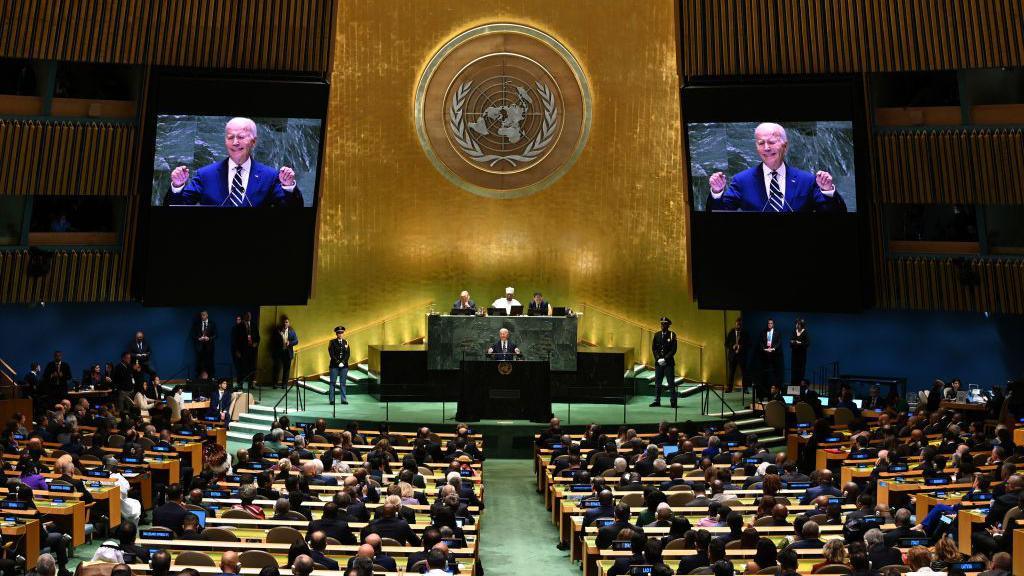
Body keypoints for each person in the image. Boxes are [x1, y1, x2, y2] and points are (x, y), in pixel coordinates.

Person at [706, 122, 847, 213]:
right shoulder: (742, 180)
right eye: (761, 143)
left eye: (772, 142)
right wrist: (717, 192)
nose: (766, 148)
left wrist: (827, 191)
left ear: (785, 146)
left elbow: (834, 215)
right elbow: (718, 215)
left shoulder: (807, 180)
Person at [165, 117, 302, 207]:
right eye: (230, 137)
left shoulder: (269, 176)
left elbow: (291, 212)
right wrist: (177, 185)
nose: (235, 142)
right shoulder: (206, 175)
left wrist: (288, 187)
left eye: (241, 137)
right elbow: (176, 208)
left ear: (253, 141)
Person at [649, 317, 678, 407]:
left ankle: (673, 401)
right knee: (658, 383)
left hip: (668, 363)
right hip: (658, 363)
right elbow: (654, 348)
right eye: (662, 323)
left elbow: (673, 349)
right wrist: (658, 358)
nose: (663, 325)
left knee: (671, 383)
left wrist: (665, 359)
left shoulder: (672, 335)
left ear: (668, 325)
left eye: (665, 324)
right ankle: (657, 401)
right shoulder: (657, 335)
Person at [231, 313, 259, 384]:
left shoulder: (254, 325)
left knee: (252, 368)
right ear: (244, 317)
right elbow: (235, 340)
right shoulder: (239, 326)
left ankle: (251, 384)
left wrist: (256, 343)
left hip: (252, 350)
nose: (249, 317)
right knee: (241, 368)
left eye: (250, 315)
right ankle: (240, 384)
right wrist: (237, 351)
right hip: (242, 351)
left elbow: (258, 337)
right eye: (247, 315)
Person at [272, 316, 299, 389]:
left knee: (286, 369)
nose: (285, 323)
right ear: (282, 323)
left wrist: (289, 343)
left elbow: (296, 341)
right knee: (277, 368)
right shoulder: (277, 331)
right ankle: (275, 383)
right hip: (279, 353)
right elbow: (273, 341)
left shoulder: (292, 331)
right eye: (284, 322)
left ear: (289, 323)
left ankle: (284, 384)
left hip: (288, 353)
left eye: (286, 322)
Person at [759, 318, 784, 399]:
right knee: (766, 374)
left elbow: (779, 343)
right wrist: (764, 349)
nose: (769, 324)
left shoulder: (777, 332)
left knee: (775, 374)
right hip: (766, 356)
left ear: (773, 324)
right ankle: (766, 392)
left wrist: (773, 349)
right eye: (768, 323)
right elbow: (761, 342)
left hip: (775, 356)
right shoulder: (764, 332)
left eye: (771, 323)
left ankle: (775, 392)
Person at [328, 325, 351, 405]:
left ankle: (343, 399)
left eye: (341, 333)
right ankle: (332, 400)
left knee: (343, 383)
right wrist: (338, 362)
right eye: (338, 333)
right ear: (336, 334)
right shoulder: (332, 342)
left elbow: (348, 354)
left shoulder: (346, 342)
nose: (340, 334)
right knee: (332, 383)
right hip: (334, 365)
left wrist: (343, 362)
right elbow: (331, 354)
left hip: (344, 366)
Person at [190, 310, 217, 377]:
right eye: (201, 315)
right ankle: (200, 379)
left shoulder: (212, 323)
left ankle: (210, 378)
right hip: (200, 348)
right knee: (200, 364)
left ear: (207, 315)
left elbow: (216, 335)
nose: (203, 316)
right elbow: (193, 334)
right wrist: (198, 338)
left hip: (209, 348)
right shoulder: (196, 324)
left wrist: (209, 338)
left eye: (204, 314)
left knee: (209, 364)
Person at [725, 317, 747, 393]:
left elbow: (749, 344)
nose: (738, 326)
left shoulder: (745, 333)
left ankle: (745, 389)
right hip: (732, 356)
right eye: (737, 325)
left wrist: (741, 346)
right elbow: (726, 344)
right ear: (735, 324)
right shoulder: (731, 332)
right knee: (731, 373)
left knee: (744, 373)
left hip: (742, 356)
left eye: (740, 325)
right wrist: (732, 346)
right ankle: (729, 388)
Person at [789, 319, 809, 385]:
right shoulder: (794, 331)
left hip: (801, 356)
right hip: (794, 355)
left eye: (798, 324)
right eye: (796, 324)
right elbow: (791, 342)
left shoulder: (805, 332)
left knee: (800, 371)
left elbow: (807, 343)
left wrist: (799, 343)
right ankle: (793, 386)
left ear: (801, 325)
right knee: (794, 371)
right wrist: (794, 342)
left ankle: (800, 387)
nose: (796, 325)